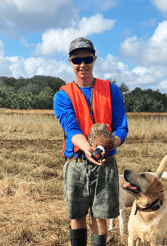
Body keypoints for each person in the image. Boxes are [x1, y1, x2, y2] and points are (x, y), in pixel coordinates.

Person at [53, 37, 128, 246]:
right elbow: (71, 129)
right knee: (76, 216)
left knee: (100, 216)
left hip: (105, 163)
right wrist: (87, 148)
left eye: (87, 58)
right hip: (76, 162)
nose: (82, 64)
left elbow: (122, 127)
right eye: (77, 60)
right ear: (70, 61)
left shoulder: (111, 90)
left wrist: (108, 144)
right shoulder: (62, 95)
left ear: (94, 59)